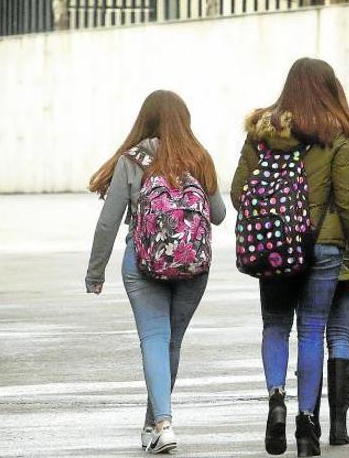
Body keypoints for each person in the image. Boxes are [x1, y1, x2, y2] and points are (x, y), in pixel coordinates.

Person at [231, 57, 349, 457]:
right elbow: (348, 203)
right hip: (324, 246)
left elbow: (240, 193)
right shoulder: (336, 136)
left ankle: (277, 398)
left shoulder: (260, 134)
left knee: (275, 324)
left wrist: (275, 217)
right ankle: (307, 426)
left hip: (273, 247)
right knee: (312, 330)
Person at [85, 90, 226, 454]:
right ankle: (155, 425)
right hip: (193, 264)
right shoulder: (199, 157)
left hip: (142, 262)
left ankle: (161, 423)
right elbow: (219, 215)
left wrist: (95, 273)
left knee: (154, 339)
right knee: (171, 342)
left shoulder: (131, 160)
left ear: (144, 120)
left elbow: (108, 223)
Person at [316, 111, 349, 446]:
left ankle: (312, 418)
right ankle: (340, 424)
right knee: (340, 335)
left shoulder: (323, 152)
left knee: (311, 332)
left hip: (321, 253)